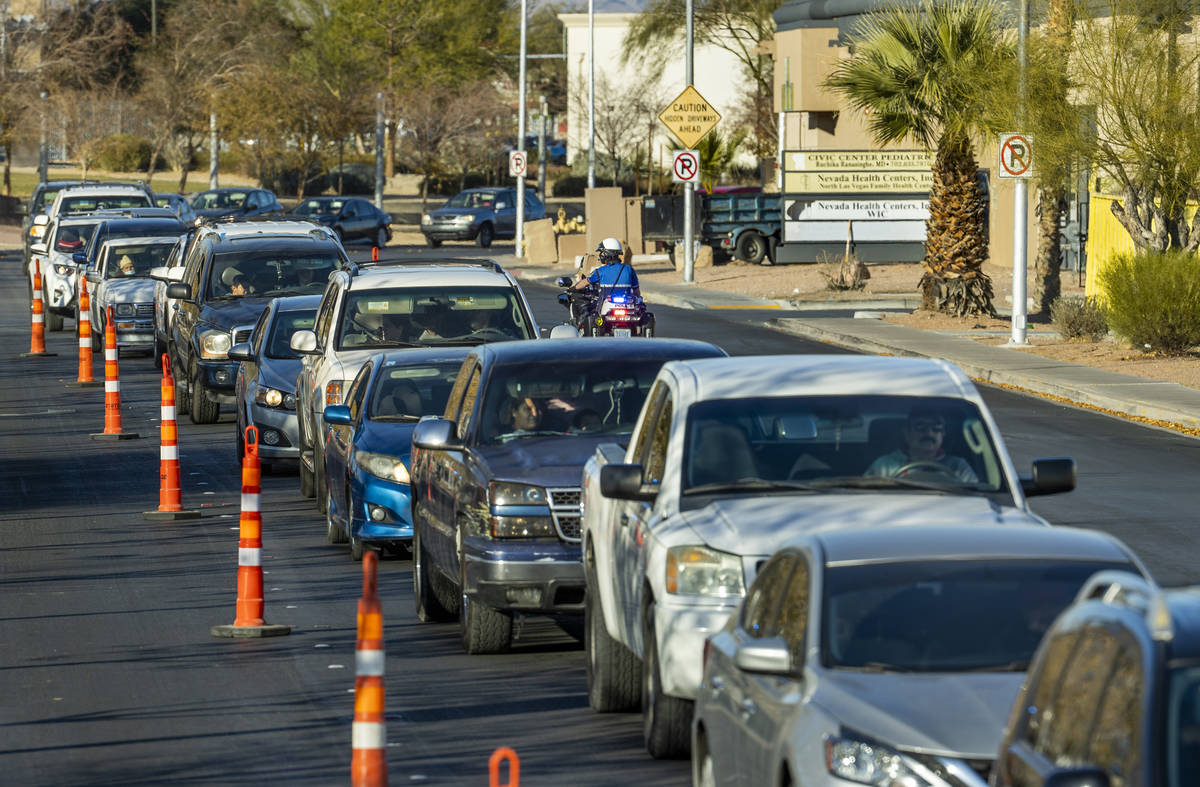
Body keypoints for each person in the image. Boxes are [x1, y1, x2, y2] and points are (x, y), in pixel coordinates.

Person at [864, 407, 978, 483]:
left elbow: (976, 500)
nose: (929, 433)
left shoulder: (958, 466)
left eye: (936, 427)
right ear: (906, 433)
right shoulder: (885, 465)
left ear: (943, 434)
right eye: (920, 426)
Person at [574, 237, 639, 296]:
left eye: (602, 252)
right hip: (627, 305)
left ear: (607, 253)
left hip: (606, 305)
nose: (601, 255)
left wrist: (573, 288)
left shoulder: (600, 271)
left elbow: (585, 283)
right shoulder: (629, 269)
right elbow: (636, 291)